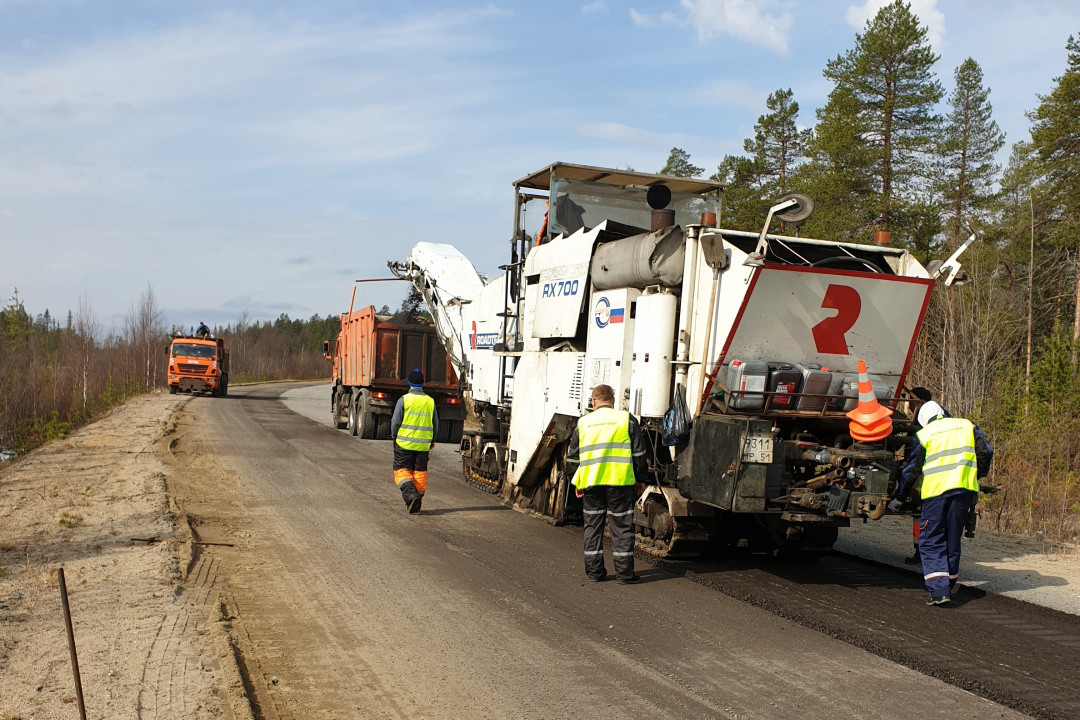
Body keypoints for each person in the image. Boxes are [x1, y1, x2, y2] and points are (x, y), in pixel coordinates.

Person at [892, 400, 993, 606]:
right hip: (963, 490)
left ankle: (939, 591)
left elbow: (912, 471)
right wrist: (976, 475)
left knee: (931, 539)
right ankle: (949, 581)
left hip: (936, 493)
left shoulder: (924, 434)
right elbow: (986, 452)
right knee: (952, 537)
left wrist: (900, 497)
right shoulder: (967, 426)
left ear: (923, 420)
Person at [565, 384, 648, 585]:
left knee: (592, 528)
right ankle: (625, 575)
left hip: (591, 485)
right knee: (622, 529)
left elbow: (572, 459)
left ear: (593, 401)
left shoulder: (583, 423)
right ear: (613, 400)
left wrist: (576, 482)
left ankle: (594, 573)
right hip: (620, 484)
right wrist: (640, 479)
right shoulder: (626, 420)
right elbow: (639, 454)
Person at [390, 368, 439, 514]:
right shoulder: (430, 401)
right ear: (423, 383)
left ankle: (412, 496)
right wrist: (431, 440)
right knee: (419, 472)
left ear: (409, 383)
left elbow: (395, 422)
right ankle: (416, 499)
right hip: (423, 445)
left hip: (404, 444)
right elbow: (435, 424)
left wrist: (394, 436)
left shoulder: (404, 400)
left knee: (401, 471)